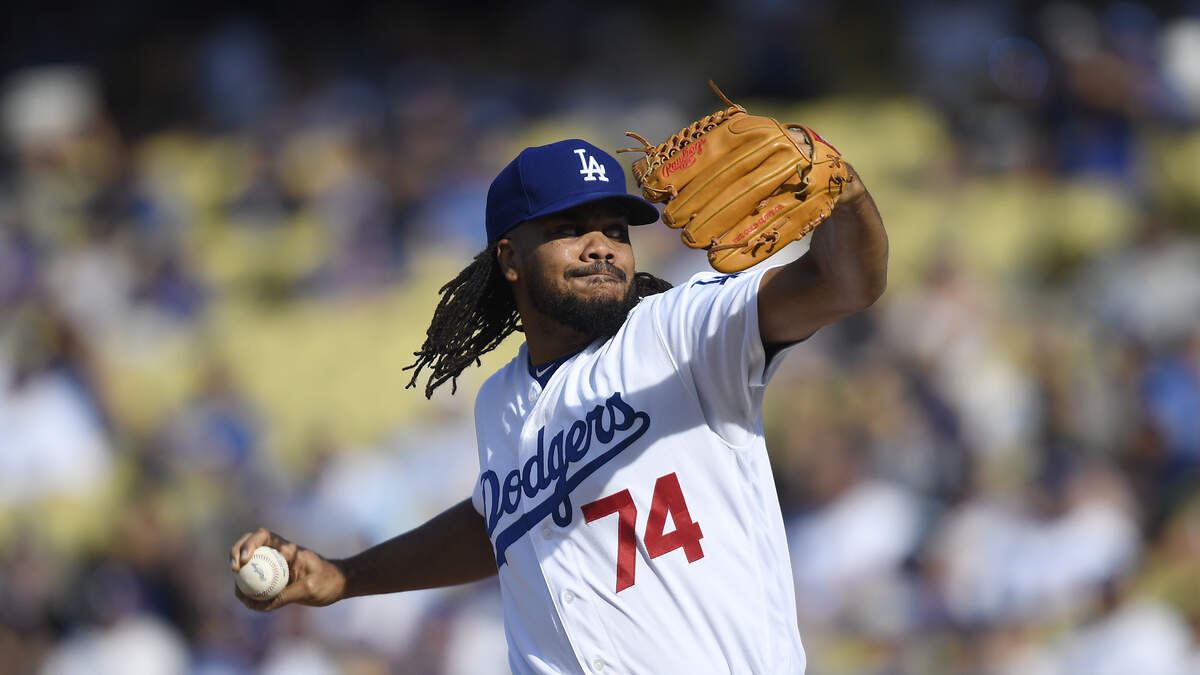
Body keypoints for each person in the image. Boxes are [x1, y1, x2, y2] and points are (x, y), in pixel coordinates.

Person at [231, 133, 887, 674]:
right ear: (511, 257)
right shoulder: (500, 404)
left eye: (614, 229)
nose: (601, 243)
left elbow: (843, 282)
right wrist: (344, 576)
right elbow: (501, 524)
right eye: (571, 228)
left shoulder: (681, 331)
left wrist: (844, 192)